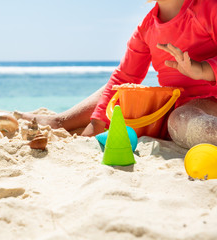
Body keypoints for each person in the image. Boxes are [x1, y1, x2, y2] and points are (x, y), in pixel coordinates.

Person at [16, 0, 217, 149]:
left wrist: (203, 70)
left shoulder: (208, 8)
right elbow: (124, 77)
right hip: (170, 106)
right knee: (118, 90)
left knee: (181, 118)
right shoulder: (147, 28)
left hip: (208, 102)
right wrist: (97, 123)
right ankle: (60, 121)